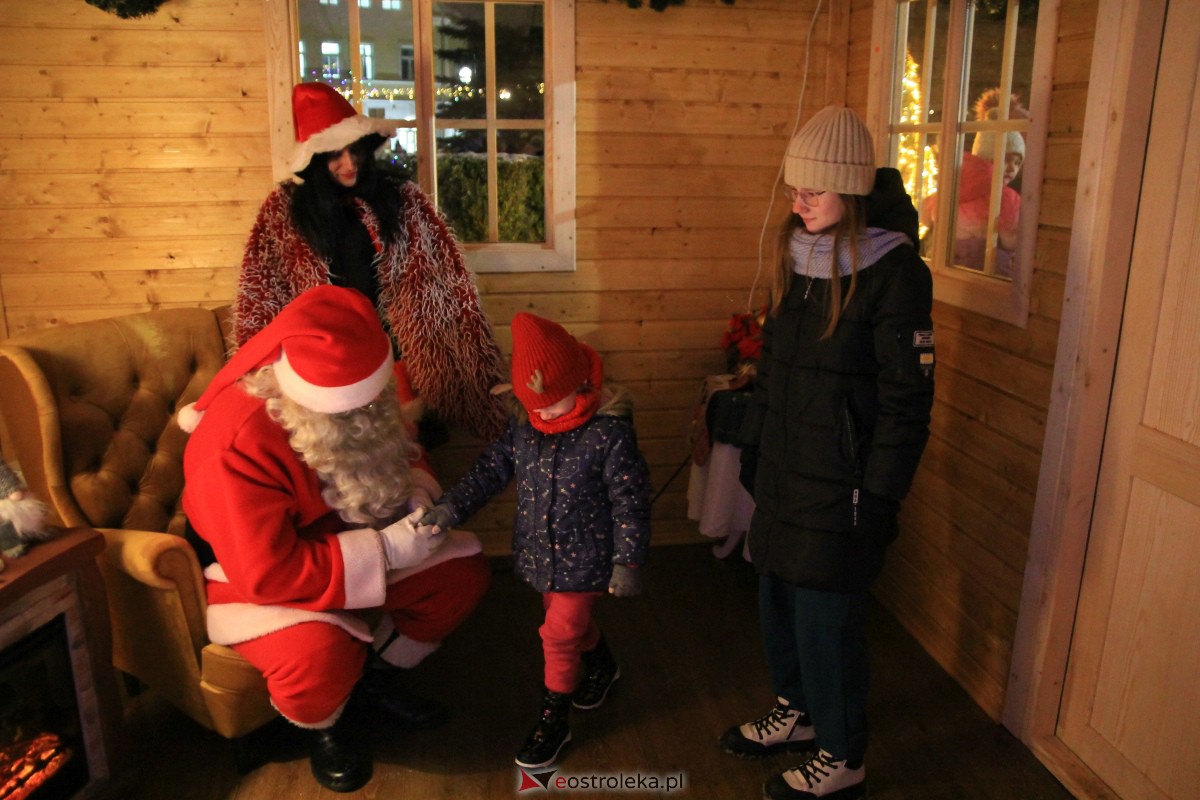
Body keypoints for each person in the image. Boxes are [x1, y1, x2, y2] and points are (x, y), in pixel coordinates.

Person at [178, 285, 491, 793]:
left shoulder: (374, 390)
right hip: (259, 571)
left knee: (461, 577)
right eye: (349, 410)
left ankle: (370, 682)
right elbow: (267, 572)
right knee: (317, 654)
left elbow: (405, 447)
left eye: (372, 402)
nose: (363, 418)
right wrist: (387, 551)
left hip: (359, 533)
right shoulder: (233, 443)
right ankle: (329, 724)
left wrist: (417, 493)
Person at [721, 106, 935, 800]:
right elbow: (779, 365)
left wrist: (879, 498)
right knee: (776, 602)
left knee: (826, 624)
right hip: (785, 473)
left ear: (852, 190)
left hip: (842, 488)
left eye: (814, 189)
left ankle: (843, 756)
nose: (798, 200)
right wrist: (753, 445)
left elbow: (907, 402)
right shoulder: (797, 255)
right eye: (794, 187)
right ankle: (800, 713)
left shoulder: (893, 273)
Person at [419, 312, 652, 769]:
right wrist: (450, 508)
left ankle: (555, 721)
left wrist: (628, 561)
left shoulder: (608, 435)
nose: (541, 413)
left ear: (580, 384)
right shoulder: (525, 428)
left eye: (549, 402)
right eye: (531, 405)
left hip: (589, 557)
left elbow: (631, 500)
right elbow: (490, 471)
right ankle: (603, 666)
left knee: (559, 634)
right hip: (543, 555)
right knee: (568, 624)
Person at [234, 81, 507, 444]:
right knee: (338, 455)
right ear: (315, 160)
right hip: (325, 364)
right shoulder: (285, 213)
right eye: (335, 155)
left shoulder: (401, 200)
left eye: (356, 151)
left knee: (408, 448)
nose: (350, 164)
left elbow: (442, 276)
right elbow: (263, 293)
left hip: (395, 357)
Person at [921, 89, 1026, 276]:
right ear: (988, 157)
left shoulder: (955, 180)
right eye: (1006, 159)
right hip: (983, 270)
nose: (1012, 168)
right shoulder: (1006, 197)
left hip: (942, 261)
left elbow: (926, 213)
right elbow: (1011, 240)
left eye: (1017, 162)